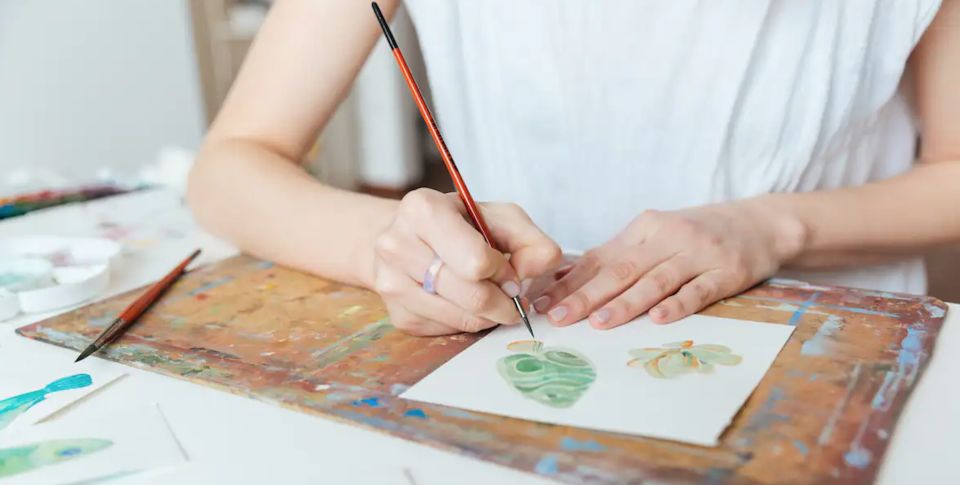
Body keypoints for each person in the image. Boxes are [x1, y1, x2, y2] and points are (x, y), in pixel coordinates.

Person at [188, 0, 960, 336]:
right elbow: (230, 167)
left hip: (825, 367)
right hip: (525, 353)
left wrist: (773, 228)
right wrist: (389, 247)